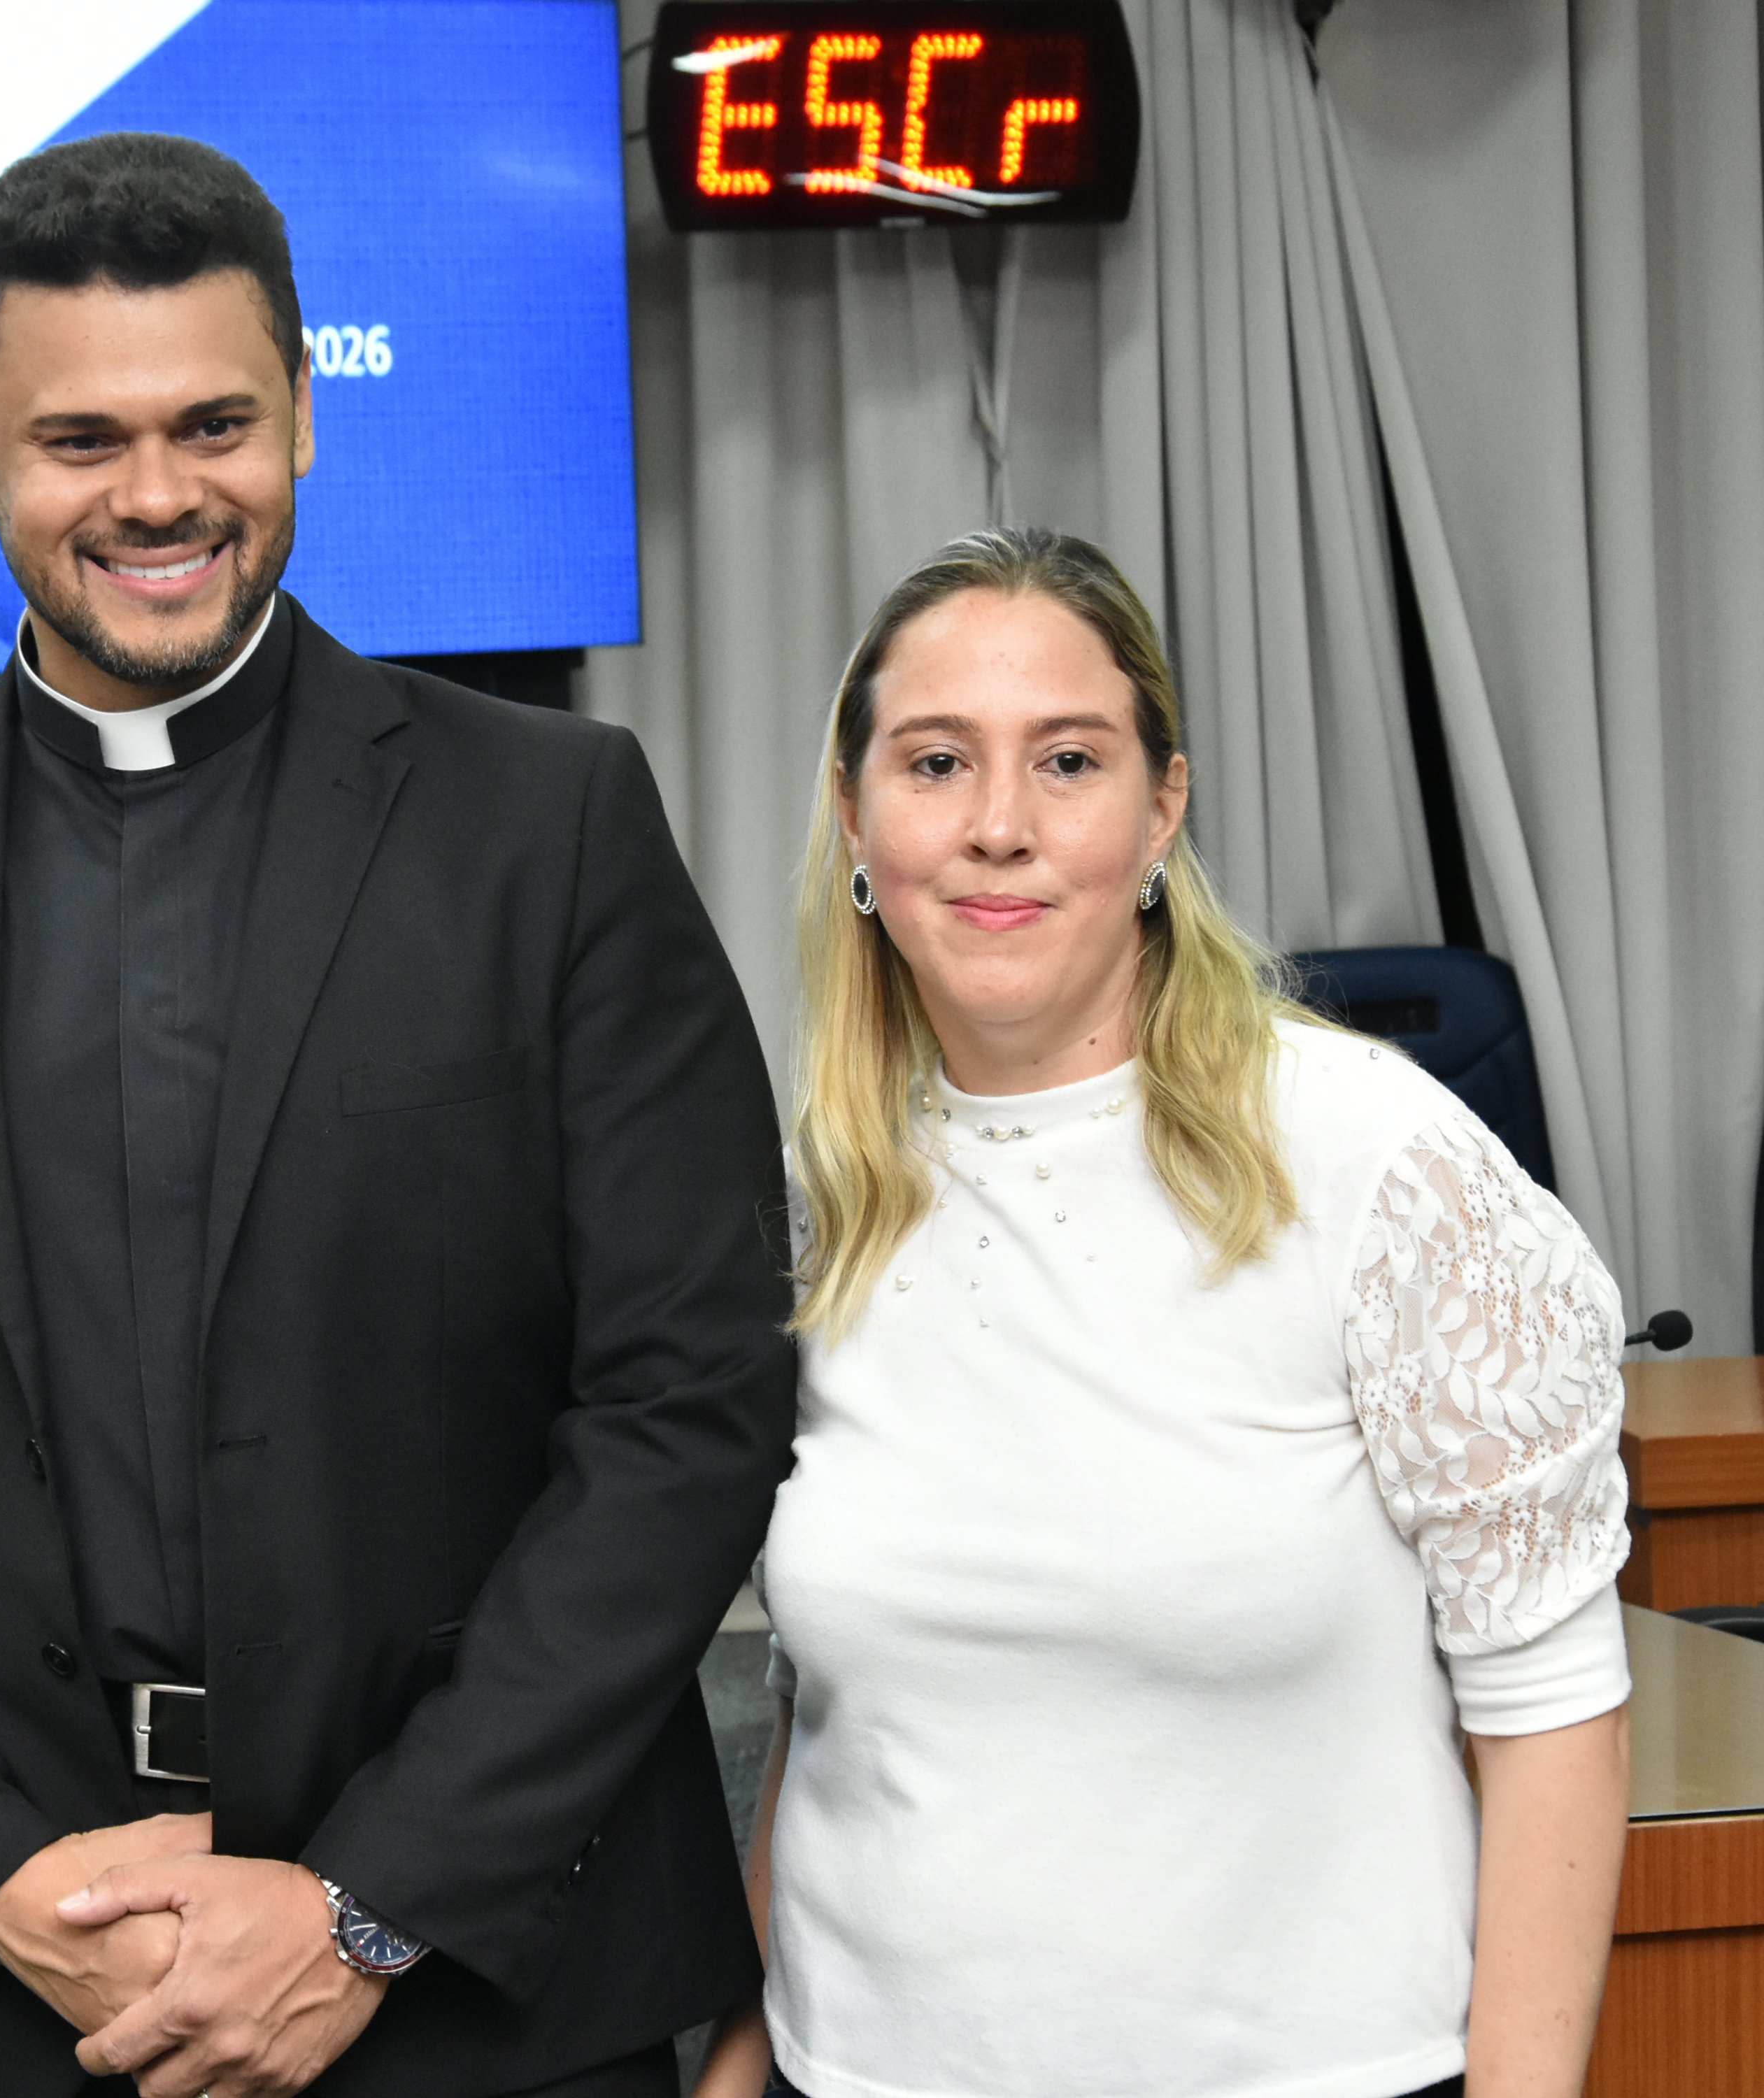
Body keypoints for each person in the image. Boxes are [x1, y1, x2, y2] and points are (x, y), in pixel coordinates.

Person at [0, 130, 797, 2098]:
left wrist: (368, 1904)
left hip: (481, 1989)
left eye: (215, 425)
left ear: (305, 417)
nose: (161, 494)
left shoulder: (549, 829)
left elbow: (687, 1403)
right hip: (4, 1998)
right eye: (80, 440)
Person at [696, 528, 1634, 2098]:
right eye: (936, 763)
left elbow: (1553, 1722)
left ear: (1161, 812)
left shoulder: (1374, 1162)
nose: (999, 826)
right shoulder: (821, 1197)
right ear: (855, 818)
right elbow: (836, 1709)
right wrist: (738, 2069)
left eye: (1068, 761)